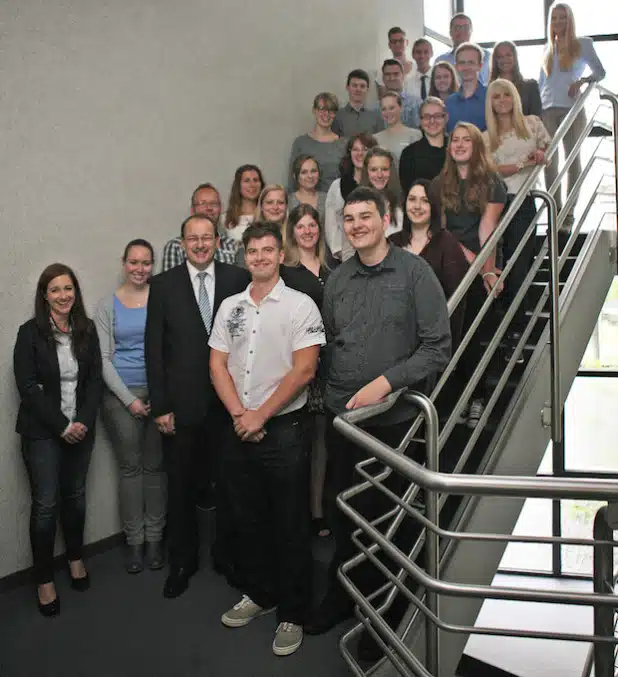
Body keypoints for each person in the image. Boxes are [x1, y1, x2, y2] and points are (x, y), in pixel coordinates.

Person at [305, 186, 450, 637]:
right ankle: (342, 597)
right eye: (349, 219)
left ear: (386, 220)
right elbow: (331, 342)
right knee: (342, 514)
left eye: (366, 216)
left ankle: (385, 614)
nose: (357, 225)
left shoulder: (415, 273)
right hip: (341, 422)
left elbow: (437, 347)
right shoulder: (339, 280)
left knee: (388, 521)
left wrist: (385, 384)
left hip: (392, 423)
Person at [209, 221, 325, 657]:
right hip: (239, 427)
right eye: (252, 251)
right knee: (247, 518)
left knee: (290, 524)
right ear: (245, 257)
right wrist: (241, 413)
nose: (259, 257)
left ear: (281, 255)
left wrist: (261, 414)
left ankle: (293, 612)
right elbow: (217, 364)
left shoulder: (300, 306)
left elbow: (304, 370)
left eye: (267, 250)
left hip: (284, 432)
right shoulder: (230, 307)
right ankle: (260, 593)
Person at [145, 213, 250, 599]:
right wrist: (160, 407)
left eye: (207, 238)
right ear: (182, 243)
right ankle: (183, 562)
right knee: (182, 488)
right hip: (182, 407)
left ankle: (227, 556)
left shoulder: (238, 280)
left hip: (229, 405)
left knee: (229, 486)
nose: (201, 244)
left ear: (218, 241)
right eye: (194, 238)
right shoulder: (163, 285)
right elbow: (154, 351)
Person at [14, 263, 103, 617]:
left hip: (80, 429)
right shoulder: (29, 333)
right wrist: (61, 425)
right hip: (42, 433)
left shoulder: (87, 330)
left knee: (76, 496)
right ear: (44, 296)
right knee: (46, 504)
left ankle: (76, 558)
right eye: (55, 290)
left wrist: (80, 422)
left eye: (68, 289)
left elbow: (95, 380)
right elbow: (28, 386)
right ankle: (44, 578)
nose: (63, 296)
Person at [95, 239, 166, 574]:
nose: (140, 269)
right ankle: (134, 542)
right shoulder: (106, 307)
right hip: (120, 396)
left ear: (153, 265)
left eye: (146, 263)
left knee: (155, 468)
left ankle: (155, 539)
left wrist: (160, 397)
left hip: (158, 396)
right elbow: (103, 361)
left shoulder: (162, 300)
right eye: (134, 262)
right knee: (130, 470)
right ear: (124, 263)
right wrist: (131, 401)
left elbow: (169, 349)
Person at [435, 121, 507, 428]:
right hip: (450, 263)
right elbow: (441, 230)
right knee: (452, 335)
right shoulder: (439, 184)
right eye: (456, 140)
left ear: (477, 146)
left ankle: (477, 398)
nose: (460, 144)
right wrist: (469, 258)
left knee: (475, 334)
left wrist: (487, 271)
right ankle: (460, 398)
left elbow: (487, 228)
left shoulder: (492, 182)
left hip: (481, 262)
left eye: (467, 140)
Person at [484, 79, 551, 360]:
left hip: (524, 202)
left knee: (520, 266)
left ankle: (517, 330)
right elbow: (495, 170)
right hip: (497, 203)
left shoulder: (533, 124)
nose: (501, 100)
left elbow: (546, 153)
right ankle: (502, 328)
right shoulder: (488, 136)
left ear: (514, 97)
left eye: (506, 95)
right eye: (496, 97)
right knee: (497, 267)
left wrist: (539, 155)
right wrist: (526, 162)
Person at [284, 204, 330, 537]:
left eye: (312, 225)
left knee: (322, 444)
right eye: (301, 226)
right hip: (296, 365)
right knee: (297, 442)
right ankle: (294, 512)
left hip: (330, 367)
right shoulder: (286, 271)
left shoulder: (335, 266)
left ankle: (317, 511)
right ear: (292, 231)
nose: (308, 231)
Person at [539, 2, 605, 228]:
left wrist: (582, 81)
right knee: (549, 160)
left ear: (570, 20)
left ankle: (569, 211)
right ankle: (554, 207)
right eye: (554, 18)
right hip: (547, 110)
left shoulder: (582, 44)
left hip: (572, 110)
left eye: (562, 17)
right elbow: (542, 84)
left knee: (572, 159)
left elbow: (600, 72)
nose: (558, 22)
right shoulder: (548, 49)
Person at [390, 179, 468, 347]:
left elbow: (457, 299)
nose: (417, 206)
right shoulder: (391, 243)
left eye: (424, 201)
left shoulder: (447, 244)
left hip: (431, 340)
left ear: (434, 206)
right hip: (393, 338)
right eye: (412, 199)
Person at [324, 133, 378, 263]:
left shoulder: (378, 184)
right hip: (346, 255)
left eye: (365, 149)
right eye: (355, 149)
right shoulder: (337, 186)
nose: (360, 154)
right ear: (349, 153)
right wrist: (339, 251)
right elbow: (331, 223)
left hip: (376, 253)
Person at [162, 184, 239, 270]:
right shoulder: (176, 246)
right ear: (192, 210)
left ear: (220, 209)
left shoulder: (233, 246)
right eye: (203, 203)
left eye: (214, 204)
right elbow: (169, 281)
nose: (209, 208)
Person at [287, 93, 346, 193]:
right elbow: (292, 180)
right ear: (314, 111)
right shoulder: (300, 143)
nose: (326, 114)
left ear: (335, 114)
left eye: (331, 110)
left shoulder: (343, 144)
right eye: (322, 109)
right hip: (307, 204)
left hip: (336, 203)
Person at [399, 96, 449, 196]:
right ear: (420, 121)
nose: (432, 121)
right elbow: (408, 192)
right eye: (426, 117)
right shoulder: (409, 154)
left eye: (437, 116)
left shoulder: (456, 148)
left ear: (446, 117)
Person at [435, 13, 491, 86]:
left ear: (471, 31)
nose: (461, 31)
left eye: (465, 28)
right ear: (450, 32)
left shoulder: (487, 56)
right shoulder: (441, 60)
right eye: (457, 28)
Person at [490, 41, 542, 117]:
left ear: (515, 57)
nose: (505, 59)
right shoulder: (490, 89)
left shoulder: (530, 87)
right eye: (500, 56)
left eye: (508, 55)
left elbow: (536, 118)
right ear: (495, 60)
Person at [360, 147, 403, 237]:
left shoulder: (401, 202)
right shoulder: (356, 202)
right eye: (374, 170)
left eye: (384, 169)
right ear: (366, 172)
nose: (379, 175)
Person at [446, 43, 488, 133]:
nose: (466, 67)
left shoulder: (491, 97)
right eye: (462, 63)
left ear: (480, 66)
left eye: (471, 62)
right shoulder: (448, 103)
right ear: (456, 67)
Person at [374, 91, 422, 167]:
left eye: (391, 108)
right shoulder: (375, 138)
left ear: (401, 108)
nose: (387, 112)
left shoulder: (415, 135)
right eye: (384, 109)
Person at [332, 69, 384, 137]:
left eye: (362, 86)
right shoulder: (337, 117)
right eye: (354, 85)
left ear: (367, 89)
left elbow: (380, 145)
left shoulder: (376, 118)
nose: (358, 89)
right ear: (347, 87)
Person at [221, 165, 265, 242]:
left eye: (255, 180)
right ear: (238, 185)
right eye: (247, 181)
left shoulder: (268, 214)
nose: (252, 185)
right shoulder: (225, 219)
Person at [380, 59, 422, 129]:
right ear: (383, 78)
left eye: (396, 74)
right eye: (387, 74)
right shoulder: (376, 108)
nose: (392, 78)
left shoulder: (417, 104)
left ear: (403, 76)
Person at [287, 155, 327, 225]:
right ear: (295, 176)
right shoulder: (288, 201)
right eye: (304, 172)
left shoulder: (327, 199)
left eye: (313, 171)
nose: (310, 176)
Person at [376, 27, 415, 97]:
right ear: (389, 45)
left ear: (407, 42)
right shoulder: (382, 71)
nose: (397, 44)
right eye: (394, 41)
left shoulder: (416, 68)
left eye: (401, 41)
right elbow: (383, 97)